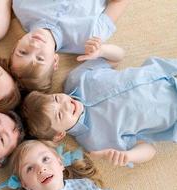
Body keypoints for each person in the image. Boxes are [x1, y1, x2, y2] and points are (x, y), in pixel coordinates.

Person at [21, 40, 177, 166]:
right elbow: (149, 149)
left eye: (56, 98)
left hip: (167, 70)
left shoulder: (76, 79)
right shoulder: (96, 143)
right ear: (59, 135)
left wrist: (102, 50)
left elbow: (117, 57)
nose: (66, 104)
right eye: (60, 114)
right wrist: (128, 156)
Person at [10, 0, 129, 92]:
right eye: (40, 58)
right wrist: (101, 50)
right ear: (55, 60)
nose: (34, 46)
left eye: (23, 52)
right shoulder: (89, 38)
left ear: (17, 43)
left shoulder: (21, 7)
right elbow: (119, 2)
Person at [0, 140, 119, 190]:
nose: (41, 169)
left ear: (60, 163)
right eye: (29, 168)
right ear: (25, 184)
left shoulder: (84, 186)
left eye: (45, 159)